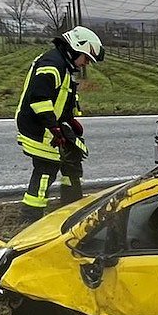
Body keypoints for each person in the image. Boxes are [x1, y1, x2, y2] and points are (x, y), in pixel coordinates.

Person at [16, 26, 105, 221]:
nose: (86, 64)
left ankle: (72, 207)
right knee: (46, 169)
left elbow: (60, 97)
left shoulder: (63, 64)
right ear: (76, 48)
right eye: (87, 58)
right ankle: (30, 218)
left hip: (51, 124)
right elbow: (39, 100)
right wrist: (55, 128)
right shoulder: (52, 64)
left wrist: (69, 120)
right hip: (39, 128)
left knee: (73, 157)